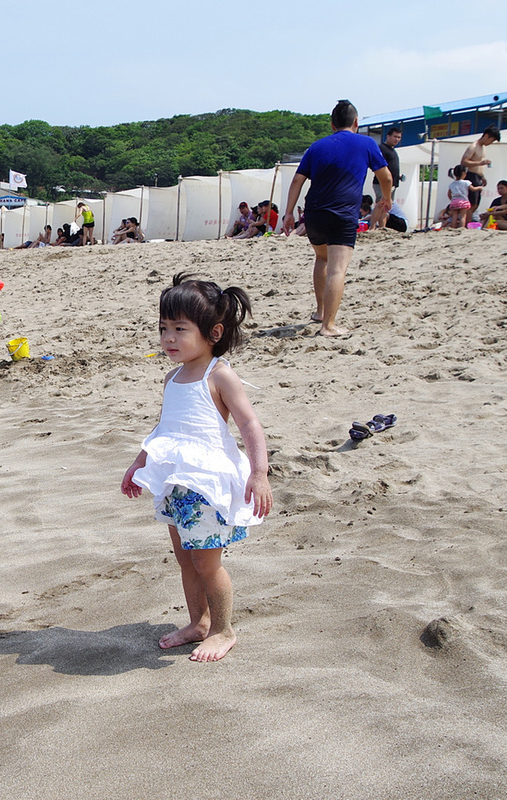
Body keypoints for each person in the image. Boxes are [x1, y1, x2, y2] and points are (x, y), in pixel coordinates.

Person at [120, 273, 272, 663]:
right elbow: (164, 428)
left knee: (207, 561)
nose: (168, 338)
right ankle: (198, 622)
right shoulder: (172, 377)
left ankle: (224, 629)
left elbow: (249, 424)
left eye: (180, 329)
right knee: (186, 558)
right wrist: (140, 463)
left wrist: (259, 473)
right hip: (176, 484)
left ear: (213, 332)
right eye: (163, 328)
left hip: (206, 486)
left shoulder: (218, 374)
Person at [282, 100, 393, 337]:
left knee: (321, 259)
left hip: (314, 213)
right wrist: (386, 198)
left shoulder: (316, 147)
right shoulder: (366, 143)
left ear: (332, 125)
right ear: (356, 122)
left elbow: (297, 181)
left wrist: (289, 212)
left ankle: (321, 311)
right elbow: (386, 176)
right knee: (337, 269)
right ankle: (328, 326)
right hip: (342, 214)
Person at [460, 125, 500, 212]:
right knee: (471, 204)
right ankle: (467, 224)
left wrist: (482, 176)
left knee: (475, 204)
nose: (491, 142)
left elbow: (479, 165)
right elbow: (463, 162)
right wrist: (480, 163)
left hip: (477, 177)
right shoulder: (473, 146)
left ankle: (468, 223)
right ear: (486, 136)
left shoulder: (482, 148)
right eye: (491, 140)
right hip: (471, 176)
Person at [369, 127, 403, 230]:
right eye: (395, 137)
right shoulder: (382, 148)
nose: (396, 139)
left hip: (392, 183)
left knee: (386, 206)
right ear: (388, 136)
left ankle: (382, 227)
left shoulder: (392, 150)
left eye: (399, 137)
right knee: (381, 203)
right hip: (381, 182)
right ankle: (372, 226)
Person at [446, 164, 476, 229]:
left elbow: (449, 194)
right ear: (464, 173)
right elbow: (473, 189)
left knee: (454, 216)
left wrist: (452, 200)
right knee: (463, 216)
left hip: (454, 202)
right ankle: (461, 228)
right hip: (463, 201)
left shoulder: (452, 184)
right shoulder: (466, 182)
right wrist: (479, 188)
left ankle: (453, 227)